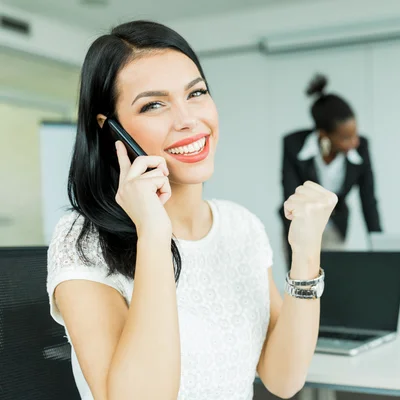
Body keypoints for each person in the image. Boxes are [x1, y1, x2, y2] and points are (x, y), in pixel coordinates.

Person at [46, 20, 338, 400]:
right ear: (110, 129)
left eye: (196, 93)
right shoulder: (83, 239)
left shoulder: (240, 226)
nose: (187, 119)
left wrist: (305, 253)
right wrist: (153, 232)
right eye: (154, 105)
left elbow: (283, 379)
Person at [279, 74, 382, 266]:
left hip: (335, 227)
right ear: (324, 134)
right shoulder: (294, 145)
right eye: (345, 138)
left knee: (333, 282)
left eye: (355, 134)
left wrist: (381, 250)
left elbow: (369, 201)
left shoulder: (360, 149)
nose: (355, 142)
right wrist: (298, 254)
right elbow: (291, 200)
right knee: (303, 285)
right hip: (298, 225)